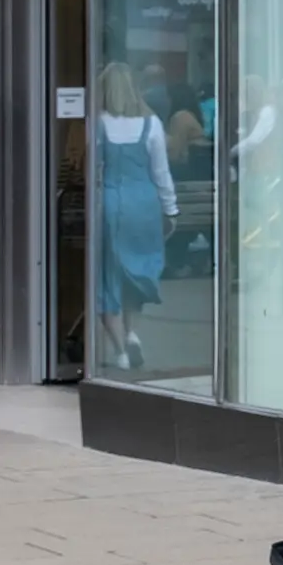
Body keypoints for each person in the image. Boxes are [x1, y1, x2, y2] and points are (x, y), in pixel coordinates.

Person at [92, 63, 177, 373]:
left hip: (112, 203)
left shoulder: (98, 124)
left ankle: (120, 351)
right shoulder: (151, 123)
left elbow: (91, 169)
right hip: (145, 203)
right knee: (134, 272)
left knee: (107, 275)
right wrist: (171, 209)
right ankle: (132, 333)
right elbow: (161, 172)